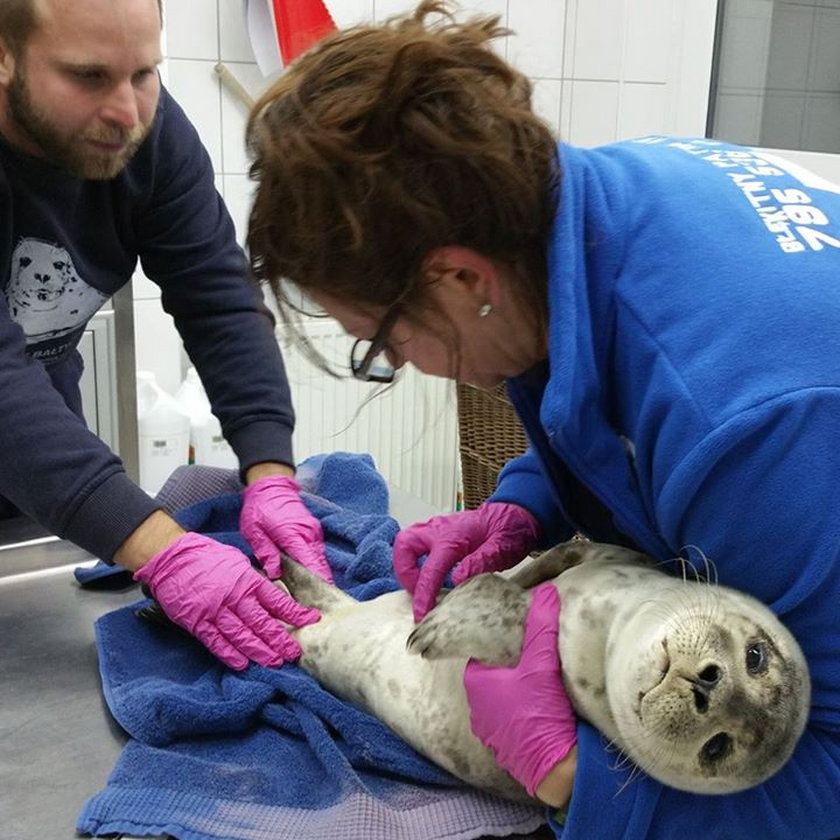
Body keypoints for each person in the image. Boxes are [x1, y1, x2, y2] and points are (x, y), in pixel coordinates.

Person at [243, 1, 840, 837]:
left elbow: (832, 779)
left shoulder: (753, 429)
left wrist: (569, 779)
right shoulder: (577, 211)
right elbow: (602, 382)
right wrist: (527, 501)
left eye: (387, 343)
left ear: (460, 280)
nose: (406, 364)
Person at [0, 0, 333, 672]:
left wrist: (270, 470)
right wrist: (161, 547)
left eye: (145, 72)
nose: (127, 111)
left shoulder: (148, 133)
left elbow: (215, 297)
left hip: (28, 478)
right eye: (89, 77)